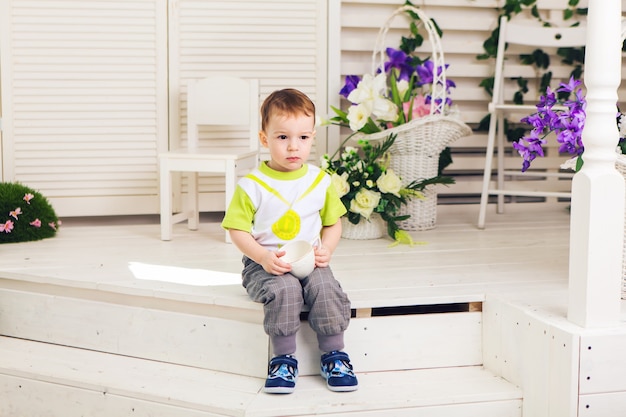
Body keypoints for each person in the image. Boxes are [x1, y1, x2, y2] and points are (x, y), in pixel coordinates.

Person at [221, 88, 358, 394]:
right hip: (264, 264)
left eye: (304, 138)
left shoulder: (320, 181)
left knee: (325, 286)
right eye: (283, 137)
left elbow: (333, 224)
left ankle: (335, 354)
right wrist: (262, 258)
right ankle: (283, 359)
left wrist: (327, 249)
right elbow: (237, 230)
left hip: (309, 259)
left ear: (312, 138)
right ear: (264, 138)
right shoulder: (252, 185)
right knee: (285, 289)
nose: (294, 146)